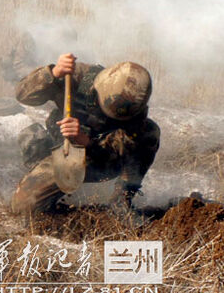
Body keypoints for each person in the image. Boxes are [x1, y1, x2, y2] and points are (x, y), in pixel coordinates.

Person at [11, 53, 160, 213]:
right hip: (65, 149)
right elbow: (22, 95)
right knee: (24, 206)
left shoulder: (135, 111)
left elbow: (121, 150)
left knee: (150, 133)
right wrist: (53, 74)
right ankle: (47, 178)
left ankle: (121, 201)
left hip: (98, 158)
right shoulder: (77, 76)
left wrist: (86, 141)